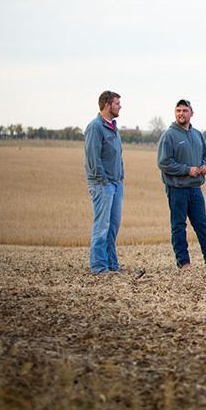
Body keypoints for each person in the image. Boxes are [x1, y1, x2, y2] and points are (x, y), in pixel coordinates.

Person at [157, 98, 206, 268]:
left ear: (191, 113)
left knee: (203, 225)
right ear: (175, 113)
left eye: (185, 111)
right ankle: (183, 262)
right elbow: (164, 163)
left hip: (195, 188)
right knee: (179, 226)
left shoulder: (197, 134)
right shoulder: (169, 136)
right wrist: (187, 170)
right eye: (178, 111)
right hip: (177, 189)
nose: (181, 114)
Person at [84, 90, 124, 274]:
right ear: (107, 104)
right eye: (117, 103)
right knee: (102, 226)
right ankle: (99, 266)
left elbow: (117, 155)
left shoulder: (113, 127)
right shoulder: (95, 127)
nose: (120, 106)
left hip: (116, 183)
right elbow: (93, 159)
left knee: (113, 226)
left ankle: (112, 265)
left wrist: (120, 177)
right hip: (102, 184)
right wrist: (105, 181)